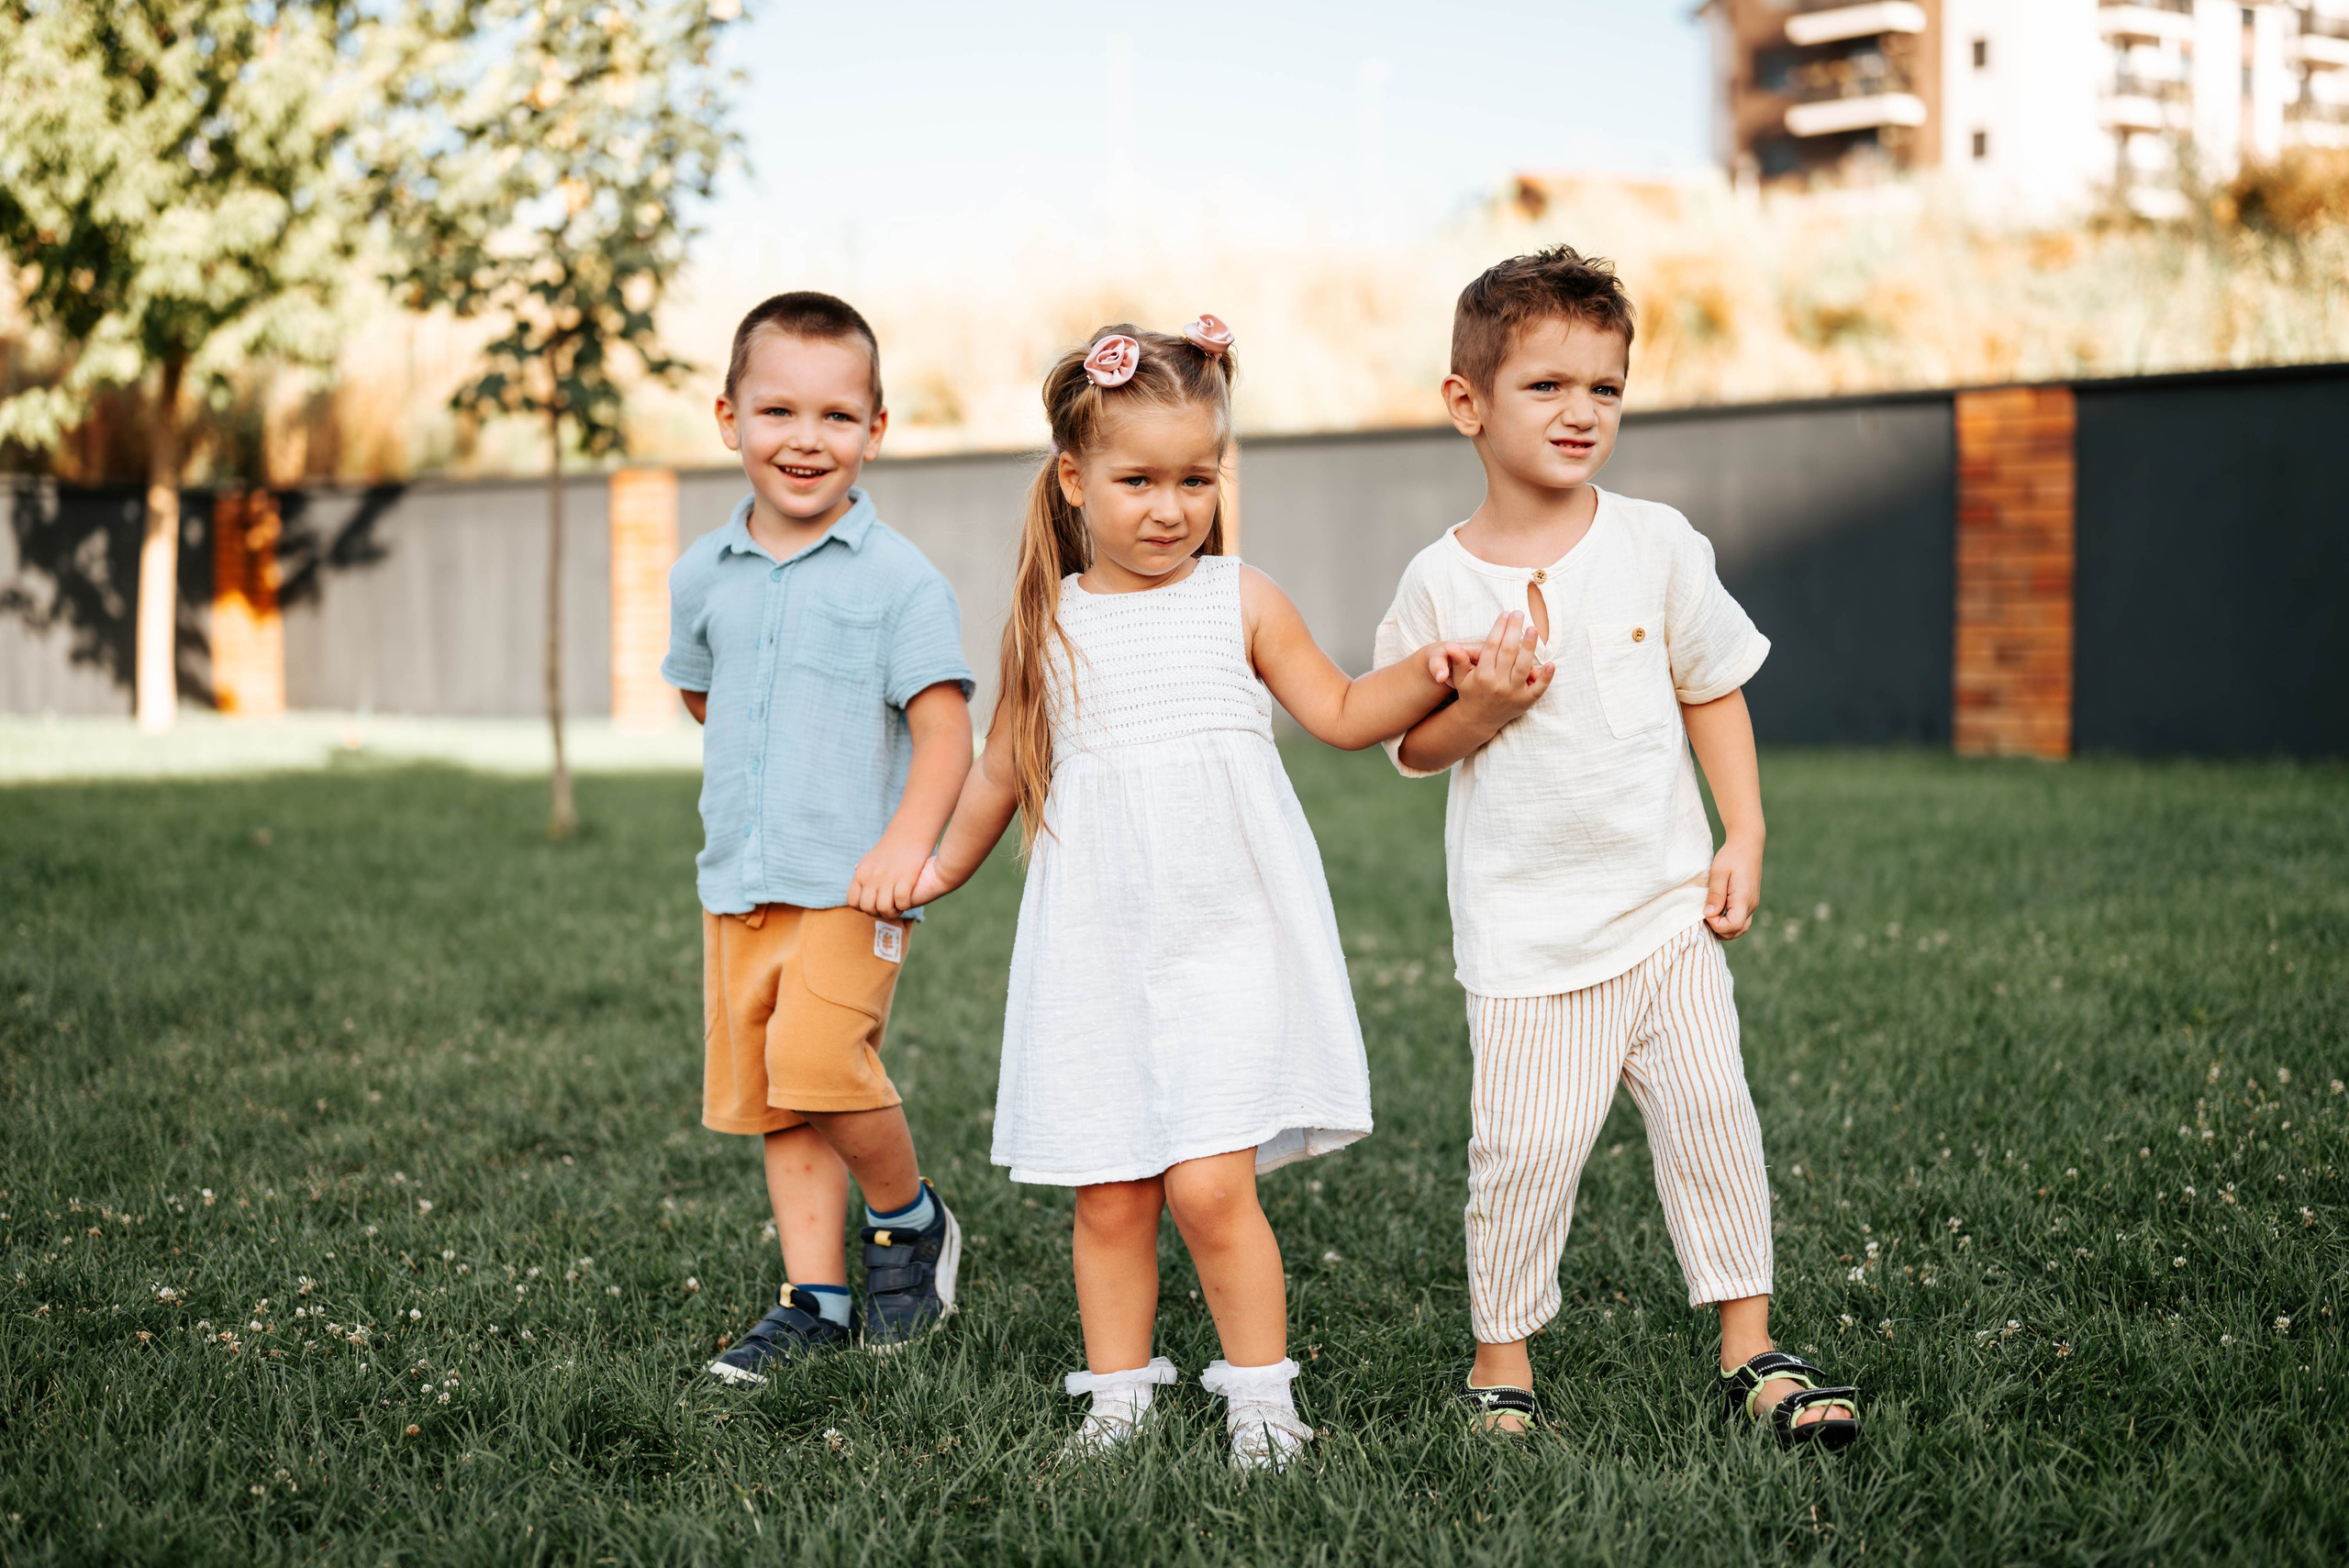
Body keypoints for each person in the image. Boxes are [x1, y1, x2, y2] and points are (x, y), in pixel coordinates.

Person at [908, 318, 1476, 1469]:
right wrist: (931, 872)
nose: (1171, 508)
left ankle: (1261, 1400)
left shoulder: (1241, 598)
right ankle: (1117, 1398)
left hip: (1228, 942)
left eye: (1196, 479)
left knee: (1211, 1187)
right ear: (1075, 479)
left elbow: (1340, 710)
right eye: (1138, 481)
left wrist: (1428, 674)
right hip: (1098, 951)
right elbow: (999, 772)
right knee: (1111, 1192)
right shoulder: (1049, 624)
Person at [1374, 247, 1862, 1449]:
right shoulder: (1437, 581)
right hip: (1529, 938)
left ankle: (1750, 1348)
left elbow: (1712, 686)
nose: (1581, 410)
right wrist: (1484, 706)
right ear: (1467, 402)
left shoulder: (1656, 542)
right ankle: (1502, 1362)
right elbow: (1411, 746)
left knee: (1713, 1118)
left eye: (1605, 387)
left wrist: (1744, 829)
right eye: (1546, 385)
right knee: (1524, 1152)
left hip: (1664, 911)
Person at [664, 291, 974, 1385]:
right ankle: (815, 1296)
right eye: (778, 411)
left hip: (855, 884)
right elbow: (705, 693)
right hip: (742, 881)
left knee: (818, 1060)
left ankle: (908, 1215)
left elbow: (946, 730)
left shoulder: (899, 579)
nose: (806, 438)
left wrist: (904, 848)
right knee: (777, 1096)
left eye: (837, 415)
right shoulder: (702, 572)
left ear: (875, 430)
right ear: (729, 419)